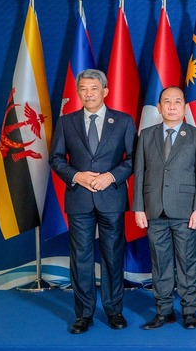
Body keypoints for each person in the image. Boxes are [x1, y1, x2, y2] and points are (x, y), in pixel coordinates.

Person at [49, 68, 136, 334]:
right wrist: (77, 176)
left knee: (113, 257)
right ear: (78, 92)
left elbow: (134, 158)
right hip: (79, 199)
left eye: (94, 88)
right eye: (84, 89)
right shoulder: (66, 122)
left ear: (105, 91)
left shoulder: (123, 121)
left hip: (111, 199)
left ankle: (114, 311)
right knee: (81, 259)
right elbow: (56, 159)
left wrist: (111, 176)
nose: (88, 94)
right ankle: (84, 314)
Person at [133, 86, 196, 329]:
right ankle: (164, 311)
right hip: (154, 210)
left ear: (185, 107)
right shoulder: (146, 135)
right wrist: (139, 208)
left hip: (185, 210)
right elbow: (140, 173)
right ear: (159, 107)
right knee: (160, 263)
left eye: (177, 101)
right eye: (167, 101)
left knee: (187, 263)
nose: (172, 106)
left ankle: (189, 311)